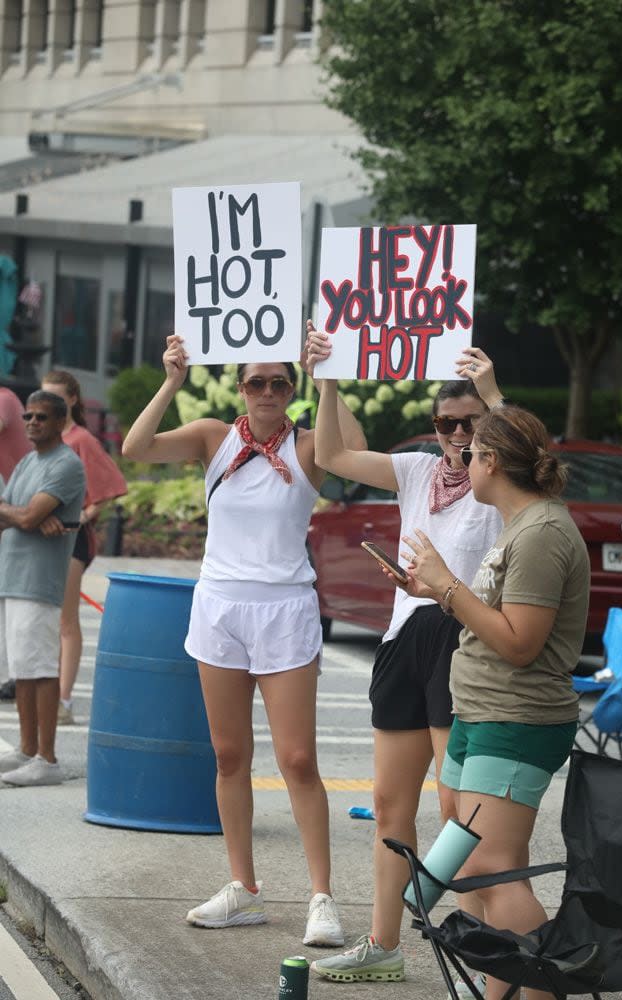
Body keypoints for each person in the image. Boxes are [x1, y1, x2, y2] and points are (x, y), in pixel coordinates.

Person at [121, 323, 366, 946]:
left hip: (285, 609)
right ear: (240, 386)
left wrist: (327, 377)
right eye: (256, 381)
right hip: (221, 606)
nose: (267, 391)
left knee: (299, 759)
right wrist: (172, 380)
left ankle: (322, 897)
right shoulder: (213, 438)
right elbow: (135, 447)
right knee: (229, 755)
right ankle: (245, 889)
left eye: (279, 382)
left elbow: (355, 454)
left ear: (290, 389)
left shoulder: (311, 444)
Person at [310, 340, 504, 985]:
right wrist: (330, 378)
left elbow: (540, 459)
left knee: (458, 809)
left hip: (463, 637)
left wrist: (493, 394)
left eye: (470, 424)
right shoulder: (420, 471)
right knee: (392, 804)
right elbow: (333, 455)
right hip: (403, 636)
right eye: (446, 424)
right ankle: (383, 944)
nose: (456, 435)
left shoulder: (503, 478)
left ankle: (482, 954)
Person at [398, 405, 590, 1000]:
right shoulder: (522, 524)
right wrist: (436, 587)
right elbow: (497, 621)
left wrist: (448, 587)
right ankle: (502, 982)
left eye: (472, 451)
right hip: (481, 713)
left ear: (493, 462)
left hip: (516, 719)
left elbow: (520, 644)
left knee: (487, 864)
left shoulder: (541, 535)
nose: (460, 459)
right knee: (467, 865)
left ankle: (552, 982)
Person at [0, 391, 85, 786]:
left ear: (58, 421)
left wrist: (28, 516)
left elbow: (31, 514)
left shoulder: (66, 464)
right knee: (22, 672)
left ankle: (47, 759)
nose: (32, 422)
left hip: (40, 581)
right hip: (14, 578)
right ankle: (26, 749)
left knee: (40, 671)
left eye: (41, 417)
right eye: (29, 416)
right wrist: (25, 516)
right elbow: (20, 515)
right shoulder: (28, 462)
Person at [41, 370, 127, 725]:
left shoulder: (80, 439)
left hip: (73, 538)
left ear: (73, 400)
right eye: (43, 396)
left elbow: (109, 488)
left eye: (56, 397)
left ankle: (63, 700)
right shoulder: (43, 439)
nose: (47, 404)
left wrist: (81, 516)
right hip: (42, 537)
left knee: (65, 618)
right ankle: (47, 695)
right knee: (45, 618)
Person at [0, 385, 32, 702]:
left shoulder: (5, 399)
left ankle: (13, 677)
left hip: (16, 501)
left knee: (8, 596)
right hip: (10, 503)